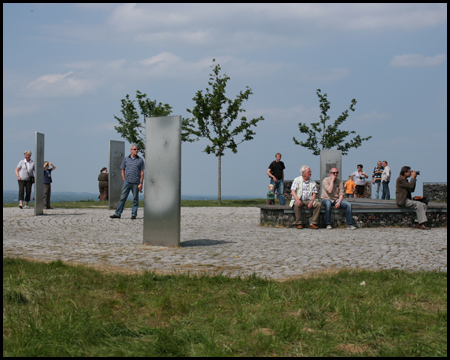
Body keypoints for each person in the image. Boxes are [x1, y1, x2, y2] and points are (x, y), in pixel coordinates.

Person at [110, 144, 145, 220]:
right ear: (131, 150)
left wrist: (141, 182)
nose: (136, 151)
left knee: (135, 199)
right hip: (127, 182)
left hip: (136, 182)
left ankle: (133, 214)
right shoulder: (126, 159)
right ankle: (117, 213)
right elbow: (122, 169)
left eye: (137, 149)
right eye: (135, 149)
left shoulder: (140, 160)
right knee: (122, 198)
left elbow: (142, 172)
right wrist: (124, 178)